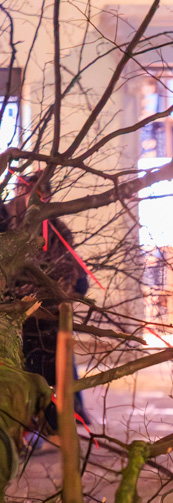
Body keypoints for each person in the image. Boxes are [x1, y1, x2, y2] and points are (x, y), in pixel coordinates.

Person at [2, 173, 89, 445]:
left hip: (48, 319)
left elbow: (68, 271)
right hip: (15, 316)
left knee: (55, 371)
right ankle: (25, 428)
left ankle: (56, 426)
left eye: (34, 193)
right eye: (22, 190)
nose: (25, 197)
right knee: (22, 371)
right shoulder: (6, 222)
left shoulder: (57, 231)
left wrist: (55, 296)